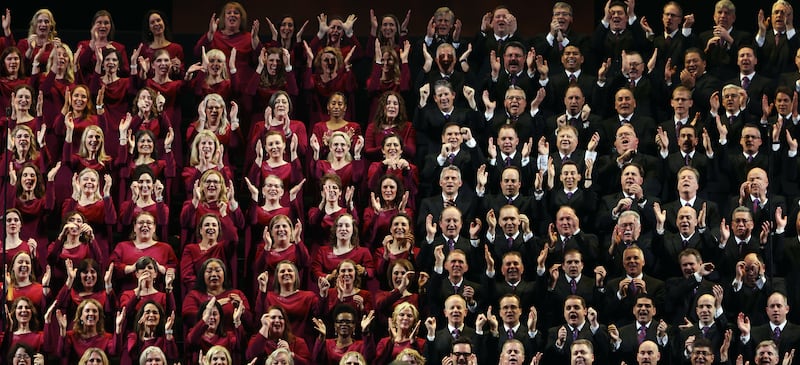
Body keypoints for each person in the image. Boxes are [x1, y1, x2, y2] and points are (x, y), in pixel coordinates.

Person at [255, 260, 322, 344]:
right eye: (282, 271)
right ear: (277, 277)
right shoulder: (268, 296)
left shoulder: (308, 297)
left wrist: (323, 295)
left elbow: (321, 314)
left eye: (290, 270)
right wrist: (262, 289)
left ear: (296, 275)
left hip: (300, 347)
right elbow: (259, 316)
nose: (286, 273)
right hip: (275, 346)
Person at [110, 211, 177, 291]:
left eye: (149, 223)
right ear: (134, 227)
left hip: (155, 296)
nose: (145, 225)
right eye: (141, 222)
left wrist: (159, 268)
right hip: (128, 295)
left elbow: (173, 268)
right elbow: (112, 267)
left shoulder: (165, 248)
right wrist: (131, 268)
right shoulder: (122, 247)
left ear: (154, 228)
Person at [183, 258, 252, 331]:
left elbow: (250, 323)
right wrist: (215, 305)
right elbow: (188, 317)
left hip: (231, 340)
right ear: (202, 275)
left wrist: (242, 309)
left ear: (224, 273)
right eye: (209, 271)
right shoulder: (193, 295)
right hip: (203, 339)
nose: (214, 274)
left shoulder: (237, 294)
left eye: (218, 271)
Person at [194, 2, 257, 81]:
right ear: (224, 17)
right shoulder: (215, 36)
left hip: (242, 83)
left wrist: (255, 40)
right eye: (229, 13)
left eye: (236, 13)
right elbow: (197, 52)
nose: (232, 15)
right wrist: (209, 34)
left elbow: (258, 61)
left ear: (241, 18)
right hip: (218, 83)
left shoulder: (248, 37)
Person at [180, 169, 244, 247]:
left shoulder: (227, 207)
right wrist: (195, 200)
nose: (212, 185)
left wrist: (232, 201)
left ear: (221, 186)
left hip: (224, 252)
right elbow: (184, 222)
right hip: (201, 251)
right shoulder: (193, 205)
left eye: (216, 182)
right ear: (202, 186)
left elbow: (241, 225)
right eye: (208, 182)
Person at [51, 298, 122, 365]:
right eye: (87, 310)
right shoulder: (71, 336)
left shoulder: (107, 337)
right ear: (80, 316)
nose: (91, 313)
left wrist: (118, 328)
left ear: (99, 317)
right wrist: (63, 330)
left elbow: (115, 352)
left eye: (94, 311)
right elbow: (62, 353)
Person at [737, 292, 800, 363]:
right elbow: (747, 357)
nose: (775, 309)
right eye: (772, 306)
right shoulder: (755, 333)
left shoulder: (798, 332)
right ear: (767, 310)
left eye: (779, 306)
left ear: (787, 309)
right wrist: (746, 335)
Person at [607, 295, 670, 365]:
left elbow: (670, 357)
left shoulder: (666, 331)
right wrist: (616, 343)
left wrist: (662, 337)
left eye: (647, 306)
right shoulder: (622, 332)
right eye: (639, 305)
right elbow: (614, 358)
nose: (643, 308)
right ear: (634, 310)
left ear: (654, 311)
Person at [303, 46, 357, 123]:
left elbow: (350, 89)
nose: (330, 63)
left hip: (340, 121)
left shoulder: (344, 78)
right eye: (326, 60)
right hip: (319, 122)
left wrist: (347, 65)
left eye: (333, 60)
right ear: (320, 63)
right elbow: (307, 86)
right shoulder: (315, 79)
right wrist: (309, 62)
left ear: (337, 61)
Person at [181, 214, 233, 291]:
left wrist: (224, 215)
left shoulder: (223, 247)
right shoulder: (190, 249)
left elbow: (233, 237)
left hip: (221, 292)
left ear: (219, 230)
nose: (211, 227)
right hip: (198, 292)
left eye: (214, 225)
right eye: (207, 225)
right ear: (200, 230)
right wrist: (203, 292)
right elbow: (187, 276)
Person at [185, 298, 245, 365]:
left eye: (214, 314)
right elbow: (190, 340)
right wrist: (206, 317)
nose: (211, 317)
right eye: (208, 314)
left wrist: (237, 321)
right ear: (202, 317)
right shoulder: (196, 335)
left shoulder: (229, 337)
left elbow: (241, 345)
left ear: (220, 317)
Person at [246, 306, 311, 365]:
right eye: (273, 317)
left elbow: (308, 363)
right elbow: (250, 356)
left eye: (280, 318)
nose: (277, 320)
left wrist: (290, 354)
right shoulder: (257, 339)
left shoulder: (298, 342)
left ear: (285, 322)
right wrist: (265, 326)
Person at [76, 10, 130, 80]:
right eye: (99, 23)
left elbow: (126, 72)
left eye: (106, 23)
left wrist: (115, 55)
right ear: (93, 25)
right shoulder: (83, 45)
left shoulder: (119, 48)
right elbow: (80, 66)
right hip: (89, 85)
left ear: (111, 26)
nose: (103, 26)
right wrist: (91, 46)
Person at [365, 91, 417, 161]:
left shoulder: (408, 127)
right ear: (382, 107)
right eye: (388, 103)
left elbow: (411, 151)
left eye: (395, 104)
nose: (392, 106)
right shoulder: (372, 127)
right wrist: (387, 146)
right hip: (379, 166)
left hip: (401, 165)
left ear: (400, 108)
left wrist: (396, 144)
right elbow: (368, 152)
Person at [363, 176, 414, 247]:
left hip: (399, 250)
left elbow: (409, 237)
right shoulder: (370, 211)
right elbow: (367, 238)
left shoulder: (406, 211)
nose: (388, 190)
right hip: (376, 251)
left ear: (397, 190)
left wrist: (401, 214)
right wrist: (376, 214)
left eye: (392, 187)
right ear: (380, 190)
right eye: (385, 187)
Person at [140, 10, 184, 80]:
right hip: (150, 88)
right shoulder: (144, 49)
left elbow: (182, 78)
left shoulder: (176, 48)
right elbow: (138, 78)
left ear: (164, 22)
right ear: (149, 28)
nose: (156, 24)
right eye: (152, 22)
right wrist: (143, 70)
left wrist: (178, 70)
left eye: (158, 20)